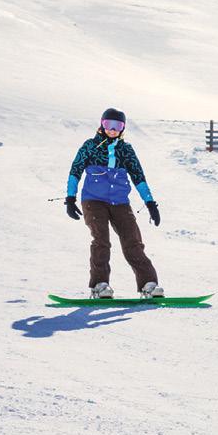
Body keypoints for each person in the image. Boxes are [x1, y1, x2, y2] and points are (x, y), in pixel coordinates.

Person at [64, 108, 165, 299]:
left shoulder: (126, 150)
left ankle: (148, 284)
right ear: (101, 125)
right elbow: (75, 171)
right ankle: (100, 285)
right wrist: (70, 198)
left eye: (117, 126)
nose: (112, 129)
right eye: (108, 125)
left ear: (123, 128)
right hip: (93, 200)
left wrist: (150, 203)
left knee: (133, 242)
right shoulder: (90, 146)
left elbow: (138, 177)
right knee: (101, 241)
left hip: (120, 202)